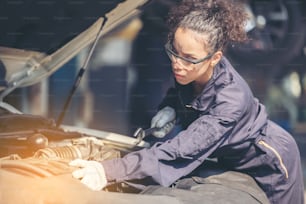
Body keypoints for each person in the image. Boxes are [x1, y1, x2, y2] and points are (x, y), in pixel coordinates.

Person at [69, 0, 305, 203]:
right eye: (174, 51)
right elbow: (181, 91)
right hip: (229, 157)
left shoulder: (231, 102)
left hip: (270, 161)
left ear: (215, 58)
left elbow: (180, 151)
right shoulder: (189, 66)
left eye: (189, 58)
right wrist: (170, 108)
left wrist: (107, 170)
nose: (177, 64)